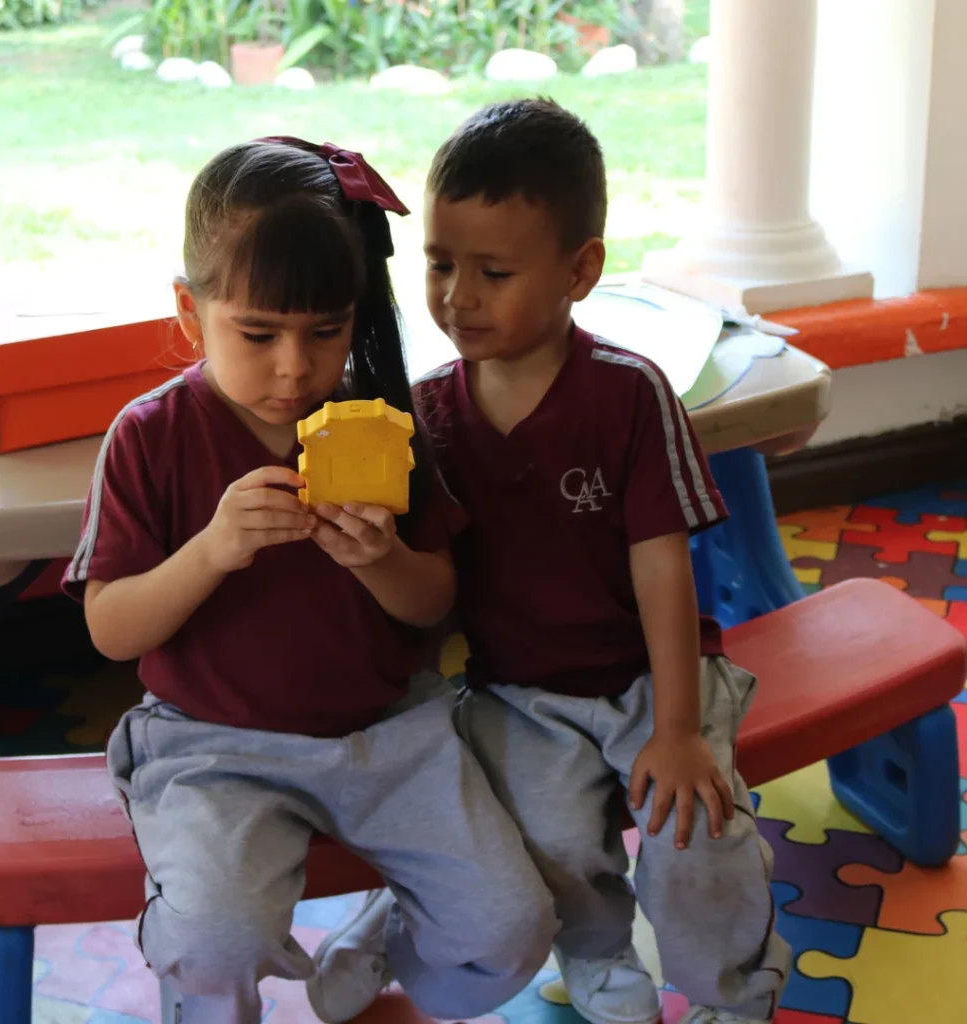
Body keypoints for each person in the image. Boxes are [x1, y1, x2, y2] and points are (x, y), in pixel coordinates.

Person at [62, 136, 557, 1024]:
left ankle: (378, 942)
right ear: (190, 312)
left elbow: (435, 602)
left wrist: (381, 561)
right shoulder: (148, 436)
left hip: (389, 735)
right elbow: (111, 628)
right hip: (212, 746)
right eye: (258, 334)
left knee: (511, 924)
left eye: (324, 333)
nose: (293, 368)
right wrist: (210, 549)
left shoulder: (378, 424)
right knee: (218, 936)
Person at [318, 100, 792, 1024]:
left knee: (698, 837)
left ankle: (737, 993)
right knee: (549, 838)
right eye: (440, 264)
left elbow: (663, 570)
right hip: (518, 697)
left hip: (658, 679)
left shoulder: (626, 394)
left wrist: (682, 728)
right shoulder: (426, 414)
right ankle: (597, 963)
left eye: (493, 272)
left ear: (582, 271)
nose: (458, 297)